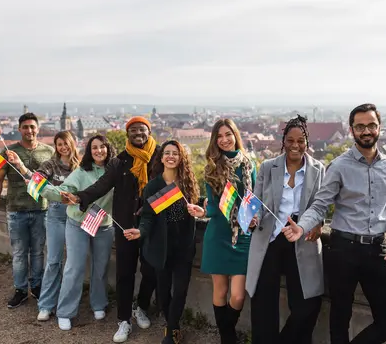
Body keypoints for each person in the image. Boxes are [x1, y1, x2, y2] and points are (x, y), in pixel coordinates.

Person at [282, 103, 386, 344]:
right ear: (352, 130)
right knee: (339, 319)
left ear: (379, 128)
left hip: (377, 249)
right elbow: (320, 205)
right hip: (343, 249)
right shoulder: (339, 166)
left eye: (371, 125)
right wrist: (302, 226)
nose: (366, 131)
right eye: (360, 126)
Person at [63, 117, 159, 343]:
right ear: (127, 134)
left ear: (149, 131)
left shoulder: (159, 156)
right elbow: (101, 185)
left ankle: (141, 307)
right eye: (133, 130)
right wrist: (80, 197)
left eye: (142, 129)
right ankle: (123, 320)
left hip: (152, 225)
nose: (138, 133)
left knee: (151, 270)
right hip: (125, 225)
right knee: (125, 273)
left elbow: (171, 184)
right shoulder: (120, 162)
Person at [246, 115, 325, 344]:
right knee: (263, 306)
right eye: (290, 140)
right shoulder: (268, 167)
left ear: (307, 142)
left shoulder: (318, 170)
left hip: (301, 238)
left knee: (308, 304)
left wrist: (317, 224)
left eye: (300, 140)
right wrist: (253, 218)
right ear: (283, 141)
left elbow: (320, 207)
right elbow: (256, 203)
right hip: (269, 239)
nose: (295, 145)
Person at [126, 140, 200, 344]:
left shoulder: (188, 183)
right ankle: (172, 325)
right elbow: (148, 217)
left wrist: (199, 211)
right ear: (161, 158)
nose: (171, 156)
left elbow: (197, 209)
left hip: (184, 246)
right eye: (167, 153)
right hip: (161, 246)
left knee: (181, 289)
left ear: (181, 157)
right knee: (164, 290)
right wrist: (140, 232)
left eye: (175, 153)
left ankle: (172, 329)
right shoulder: (153, 186)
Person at [190, 119, 256, 344]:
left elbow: (252, 198)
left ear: (235, 135)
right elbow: (213, 207)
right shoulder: (212, 167)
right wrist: (202, 211)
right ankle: (228, 338)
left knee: (238, 296)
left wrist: (254, 215)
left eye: (228, 134)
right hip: (218, 234)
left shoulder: (249, 164)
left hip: (242, 235)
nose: (225, 139)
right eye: (219, 136)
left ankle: (226, 332)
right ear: (215, 141)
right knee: (220, 291)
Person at [44, 134, 116, 331]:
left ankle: (98, 303)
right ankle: (65, 311)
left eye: (102, 147)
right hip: (77, 222)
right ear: (89, 151)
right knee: (74, 268)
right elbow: (64, 189)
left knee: (100, 267)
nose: (99, 151)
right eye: (94, 148)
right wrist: (45, 190)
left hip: (104, 224)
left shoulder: (115, 171)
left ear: (108, 149)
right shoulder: (81, 171)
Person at [7, 131, 81, 321]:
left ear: (73, 144)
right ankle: (46, 304)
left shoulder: (81, 166)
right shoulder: (51, 164)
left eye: (66, 143)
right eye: (59, 144)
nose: (63, 147)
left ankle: (66, 302)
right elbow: (37, 178)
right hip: (56, 214)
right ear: (55, 147)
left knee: (73, 263)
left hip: (77, 216)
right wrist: (23, 169)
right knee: (53, 260)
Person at [0, 112, 54, 308]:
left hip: (41, 208)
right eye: (25, 127)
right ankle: (20, 290)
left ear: (38, 129)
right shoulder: (7, 152)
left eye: (32, 127)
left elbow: (53, 180)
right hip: (16, 209)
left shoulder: (48, 151)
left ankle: (37, 286)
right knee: (18, 253)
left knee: (38, 252)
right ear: (19, 129)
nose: (29, 130)